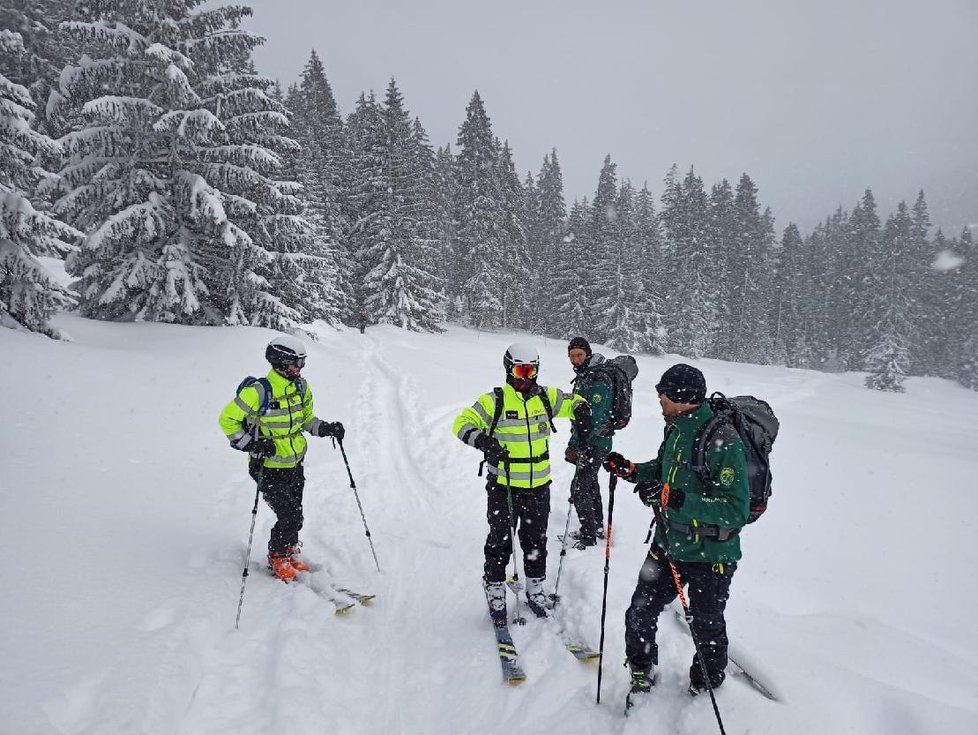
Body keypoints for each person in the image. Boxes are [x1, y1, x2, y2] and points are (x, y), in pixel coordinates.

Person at [602, 363, 749, 707]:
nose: (658, 398)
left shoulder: (723, 440)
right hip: (669, 544)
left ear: (682, 398)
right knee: (639, 610)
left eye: (663, 393)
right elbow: (663, 469)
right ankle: (641, 668)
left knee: (707, 626)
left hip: (711, 554)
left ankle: (706, 684)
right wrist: (633, 471)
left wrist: (675, 499)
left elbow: (734, 509)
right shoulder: (676, 429)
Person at [453, 343, 591, 621]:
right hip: (503, 485)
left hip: (538, 486)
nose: (525, 377)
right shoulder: (495, 400)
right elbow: (461, 423)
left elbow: (575, 400)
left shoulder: (546, 398)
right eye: (519, 370)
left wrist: (583, 412)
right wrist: (483, 441)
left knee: (535, 540)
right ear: (508, 368)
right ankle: (494, 586)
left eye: (530, 371)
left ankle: (536, 588)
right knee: (500, 539)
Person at [218, 335, 345, 582]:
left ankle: (288, 549)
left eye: (302, 362)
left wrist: (326, 428)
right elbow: (227, 420)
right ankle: (277, 556)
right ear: (279, 362)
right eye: (295, 363)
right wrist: (252, 444)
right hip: (266, 466)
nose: (300, 368)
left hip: (294, 463)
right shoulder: (258, 391)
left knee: (297, 511)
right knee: (289, 514)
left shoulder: (301, 387)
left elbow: (306, 419)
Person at [564, 337, 614, 550]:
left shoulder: (598, 380)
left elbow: (593, 419)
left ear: (588, 354)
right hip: (591, 441)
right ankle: (596, 527)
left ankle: (588, 535)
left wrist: (575, 444)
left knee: (579, 487)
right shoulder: (585, 376)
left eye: (579, 355)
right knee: (589, 482)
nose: (575, 360)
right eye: (572, 355)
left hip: (595, 443)